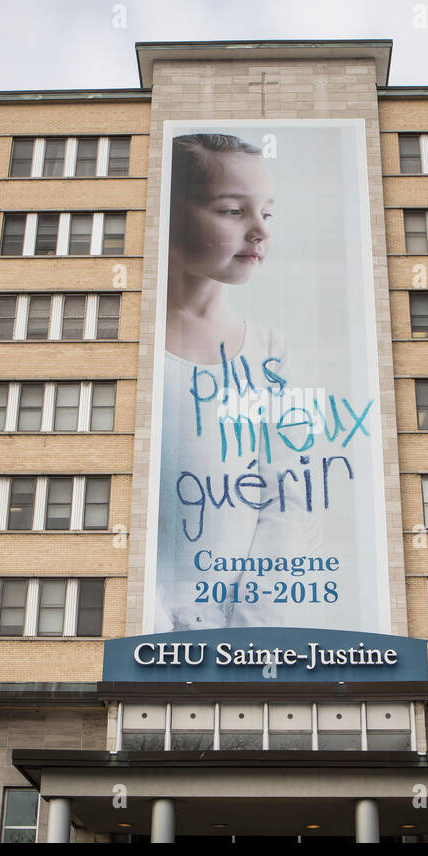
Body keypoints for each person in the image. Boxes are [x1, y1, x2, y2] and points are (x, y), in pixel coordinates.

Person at [155, 133, 318, 632]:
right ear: (169, 212)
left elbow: (291, 496)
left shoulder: (273, 351)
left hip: (235, 637)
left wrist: (250, 633)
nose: (259, 231)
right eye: (231, 211)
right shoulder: (128, 348)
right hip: (139, 635)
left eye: (265, 214)